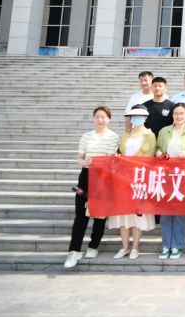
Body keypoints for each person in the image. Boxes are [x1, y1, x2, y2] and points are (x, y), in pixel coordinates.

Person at [64, 106, 120, 269]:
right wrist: (85, 162)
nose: (100, 120)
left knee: (100, 215)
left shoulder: (114, 137)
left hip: (104, 177)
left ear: (109, 119)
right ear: (93, 118)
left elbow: (110, 158)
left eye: (103, 117)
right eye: (97, 116)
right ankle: (74, 251)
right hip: (86, 175)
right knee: (80, 215)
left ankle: (93, 246)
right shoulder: (86, 136)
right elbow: (80, 158)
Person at [154, 102, 185, 260]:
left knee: (180, 212)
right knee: (165, 212)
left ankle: (177, 245)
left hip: (183, 175)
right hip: (165, 175)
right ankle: (166, 245)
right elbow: (157, 148)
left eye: (182, 113)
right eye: (176, 113)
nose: (178, 116)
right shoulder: (164, 131)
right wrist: (159, 153)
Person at [110, 105, 156, 260]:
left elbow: (150, 157)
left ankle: (135, 247)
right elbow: (120, 152)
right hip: (122, 179)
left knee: (137, 214)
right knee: (122, 213)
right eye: (133, 116)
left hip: (139, 178)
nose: (136, 118)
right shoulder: (125, 135)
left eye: (139, 116)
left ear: (145, 117)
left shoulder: (150, 135)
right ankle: (124, 247)